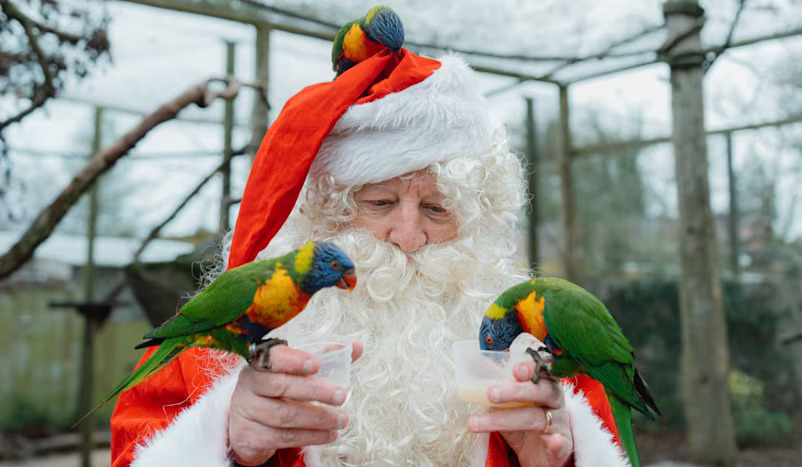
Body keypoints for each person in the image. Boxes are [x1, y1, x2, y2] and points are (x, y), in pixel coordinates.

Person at [109, 32, 629, 467]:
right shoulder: (212, 347)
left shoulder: (546, 359)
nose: (408, 236)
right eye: (380, 202)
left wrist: (557, 461)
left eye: (437, 208)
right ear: (321, 212)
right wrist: (228, 442)